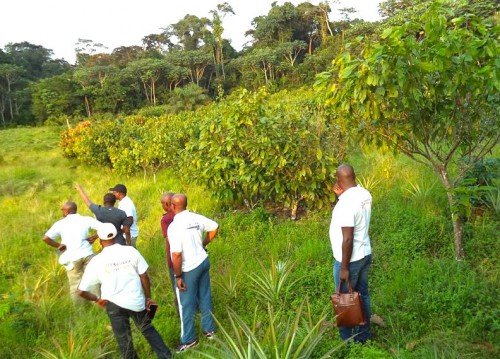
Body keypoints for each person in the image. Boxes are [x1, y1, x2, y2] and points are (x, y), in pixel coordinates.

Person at [78, 223, 172, 359]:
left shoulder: (96, 261)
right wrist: (148, 298)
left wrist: (97, 299)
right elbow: (144, 275)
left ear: (100, 240)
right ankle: (166, 356)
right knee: (147, 328)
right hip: (136, 300)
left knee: (124, 340)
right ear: (116, 236)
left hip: (113, 304)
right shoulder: (130, 251)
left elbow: (81, 291)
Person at [167, 193, 219, 353]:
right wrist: (204, 244)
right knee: (204, 296)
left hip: (189, 268)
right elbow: (215, 226)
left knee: (186, 305)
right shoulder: (195, 218)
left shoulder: (174, 227)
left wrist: (178, 276)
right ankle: (209, 331)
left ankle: (189, 340)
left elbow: (176, 254)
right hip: (203, 262)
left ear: (173, 206)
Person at [329, 164, 373, 343]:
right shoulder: (364, 194)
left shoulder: (345, 205)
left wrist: (344, 268)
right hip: (365, 254)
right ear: (354, 176)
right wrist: (340, 197)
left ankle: (347, 341)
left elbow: (347, 239)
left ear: (338, 181)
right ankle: (364, 336)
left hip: (350, 261)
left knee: (346, 301)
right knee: (362, 295)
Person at [42, 201, 102, 302]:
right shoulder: (85, 219)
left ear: (66, 211)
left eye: (62, 209)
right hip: (88, 254)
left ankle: (80, 311)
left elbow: (45, 238)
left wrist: (58, 245)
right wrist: (95, 237)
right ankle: (98, 304)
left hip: (72, 257)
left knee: (75, 284)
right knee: (93, 281)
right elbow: (105, 228)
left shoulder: (60, 223)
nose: (62, 211)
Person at [160, 192, 178, 314]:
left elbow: (168, 239)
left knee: (176, 286)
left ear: (167, 204)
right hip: (191, 258)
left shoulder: (165, 219)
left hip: (174, 258)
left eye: (162, 203)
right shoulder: (182, 214)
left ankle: (180, 312)